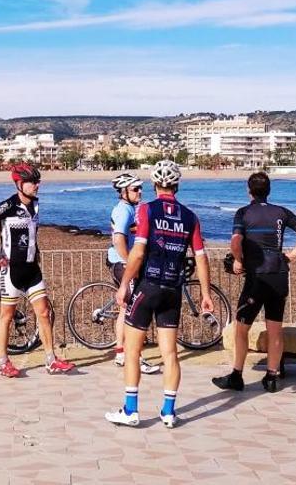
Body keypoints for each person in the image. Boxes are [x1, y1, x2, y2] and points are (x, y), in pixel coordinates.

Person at [105, 160, 214, 428]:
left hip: (148, 286)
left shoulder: (146, 210)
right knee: (170, 354)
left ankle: (130, 411)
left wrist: (123, 285)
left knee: (132, 351)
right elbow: (201, 257)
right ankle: (168, 412)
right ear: (176, 185)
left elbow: (139, 251)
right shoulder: (190, 216)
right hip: (173, 290)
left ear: (155, 185)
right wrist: (206, 293)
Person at [212, 172, 296, 393]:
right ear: (269, 190)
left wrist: (239, 260)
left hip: (257, 276)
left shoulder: (243, 213)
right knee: (275, 328)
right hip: (279, 273)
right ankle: (271, 377)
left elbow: (236, 241)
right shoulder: (281, 212)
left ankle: (237, 375)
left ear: (248, 190)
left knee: (242, 327)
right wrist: (290, 256)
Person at [0, 163, 75, 378]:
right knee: (6, 316)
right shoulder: (8, 205)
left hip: (32, 269)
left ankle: (51, 359)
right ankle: (3, 362)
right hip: (11, 271)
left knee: (45, 313)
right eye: (32, 182)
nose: (37, 185)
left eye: (38, 181)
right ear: (20, 184)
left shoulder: (36, 205)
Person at [106, 172, 159, 375]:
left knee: (126, 308)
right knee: (133, 310)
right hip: (122, 263)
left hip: (120, 261)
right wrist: (131, 265)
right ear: (124, 192)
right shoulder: (124, 211)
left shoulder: (129, 208)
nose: (140, 192)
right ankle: (134, 357)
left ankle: (121, 353)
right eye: (135, 189)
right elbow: (119, 239)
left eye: (140, 188)